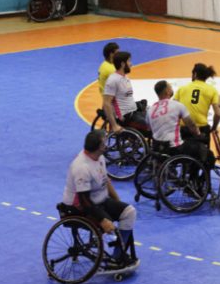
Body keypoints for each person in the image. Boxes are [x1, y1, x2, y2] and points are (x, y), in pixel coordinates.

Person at [62, 130, 137, 266]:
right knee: (109, 225)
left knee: (129, 212)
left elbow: (105, 181)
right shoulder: (82, 168)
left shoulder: (99, 157)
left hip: (100, 200)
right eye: (104, 142)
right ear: (100, 147)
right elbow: (84, 201)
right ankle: (115, 258)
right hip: (80, 207)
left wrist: (117, 201)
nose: (107, 143)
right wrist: (103, 220)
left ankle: (117, 255)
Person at [148, 80, 204, 161]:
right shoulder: (177, 105)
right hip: (174, 149)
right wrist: (198, 134)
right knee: (202, 150)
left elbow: (149, 128)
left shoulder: (151, 109)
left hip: (157, 148)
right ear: (167, 91)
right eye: (170, 87)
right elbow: (191, 125)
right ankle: (194, 173)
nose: (172, 88)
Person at [174, 63, 220, 147]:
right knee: (203, 155)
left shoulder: (182, 89)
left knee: (183, 155)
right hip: (202, 128)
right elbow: (218, 114)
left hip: (184, 128)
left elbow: (172, 109)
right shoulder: (212, 90)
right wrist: (214, 127)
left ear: (195, 74)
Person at [102, 50, 147, 133]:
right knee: (150, 126)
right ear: (123, 64)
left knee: (154, 116)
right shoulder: (113, 80)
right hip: (125, 117)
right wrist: (114, 125)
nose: (131, 64)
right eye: (129, 61)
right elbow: (106, 103)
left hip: (133, 112)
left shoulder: (124, 77)